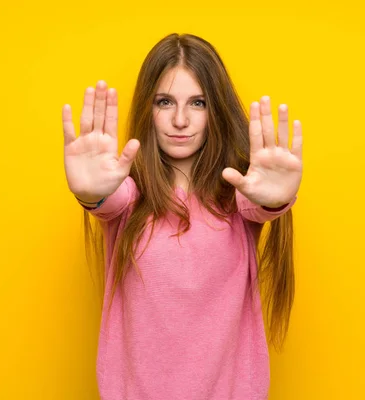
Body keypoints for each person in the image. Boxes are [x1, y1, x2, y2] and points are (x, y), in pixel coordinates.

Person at [61, 33, 303, 400]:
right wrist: (91, 192)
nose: (179, 119)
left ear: (215, 110)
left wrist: (276, 200)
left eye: (198, 103)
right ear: (148, 108)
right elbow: (106, 200)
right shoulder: (129, 195)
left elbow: (260, 205)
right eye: (164, 102)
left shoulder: (238, 196)